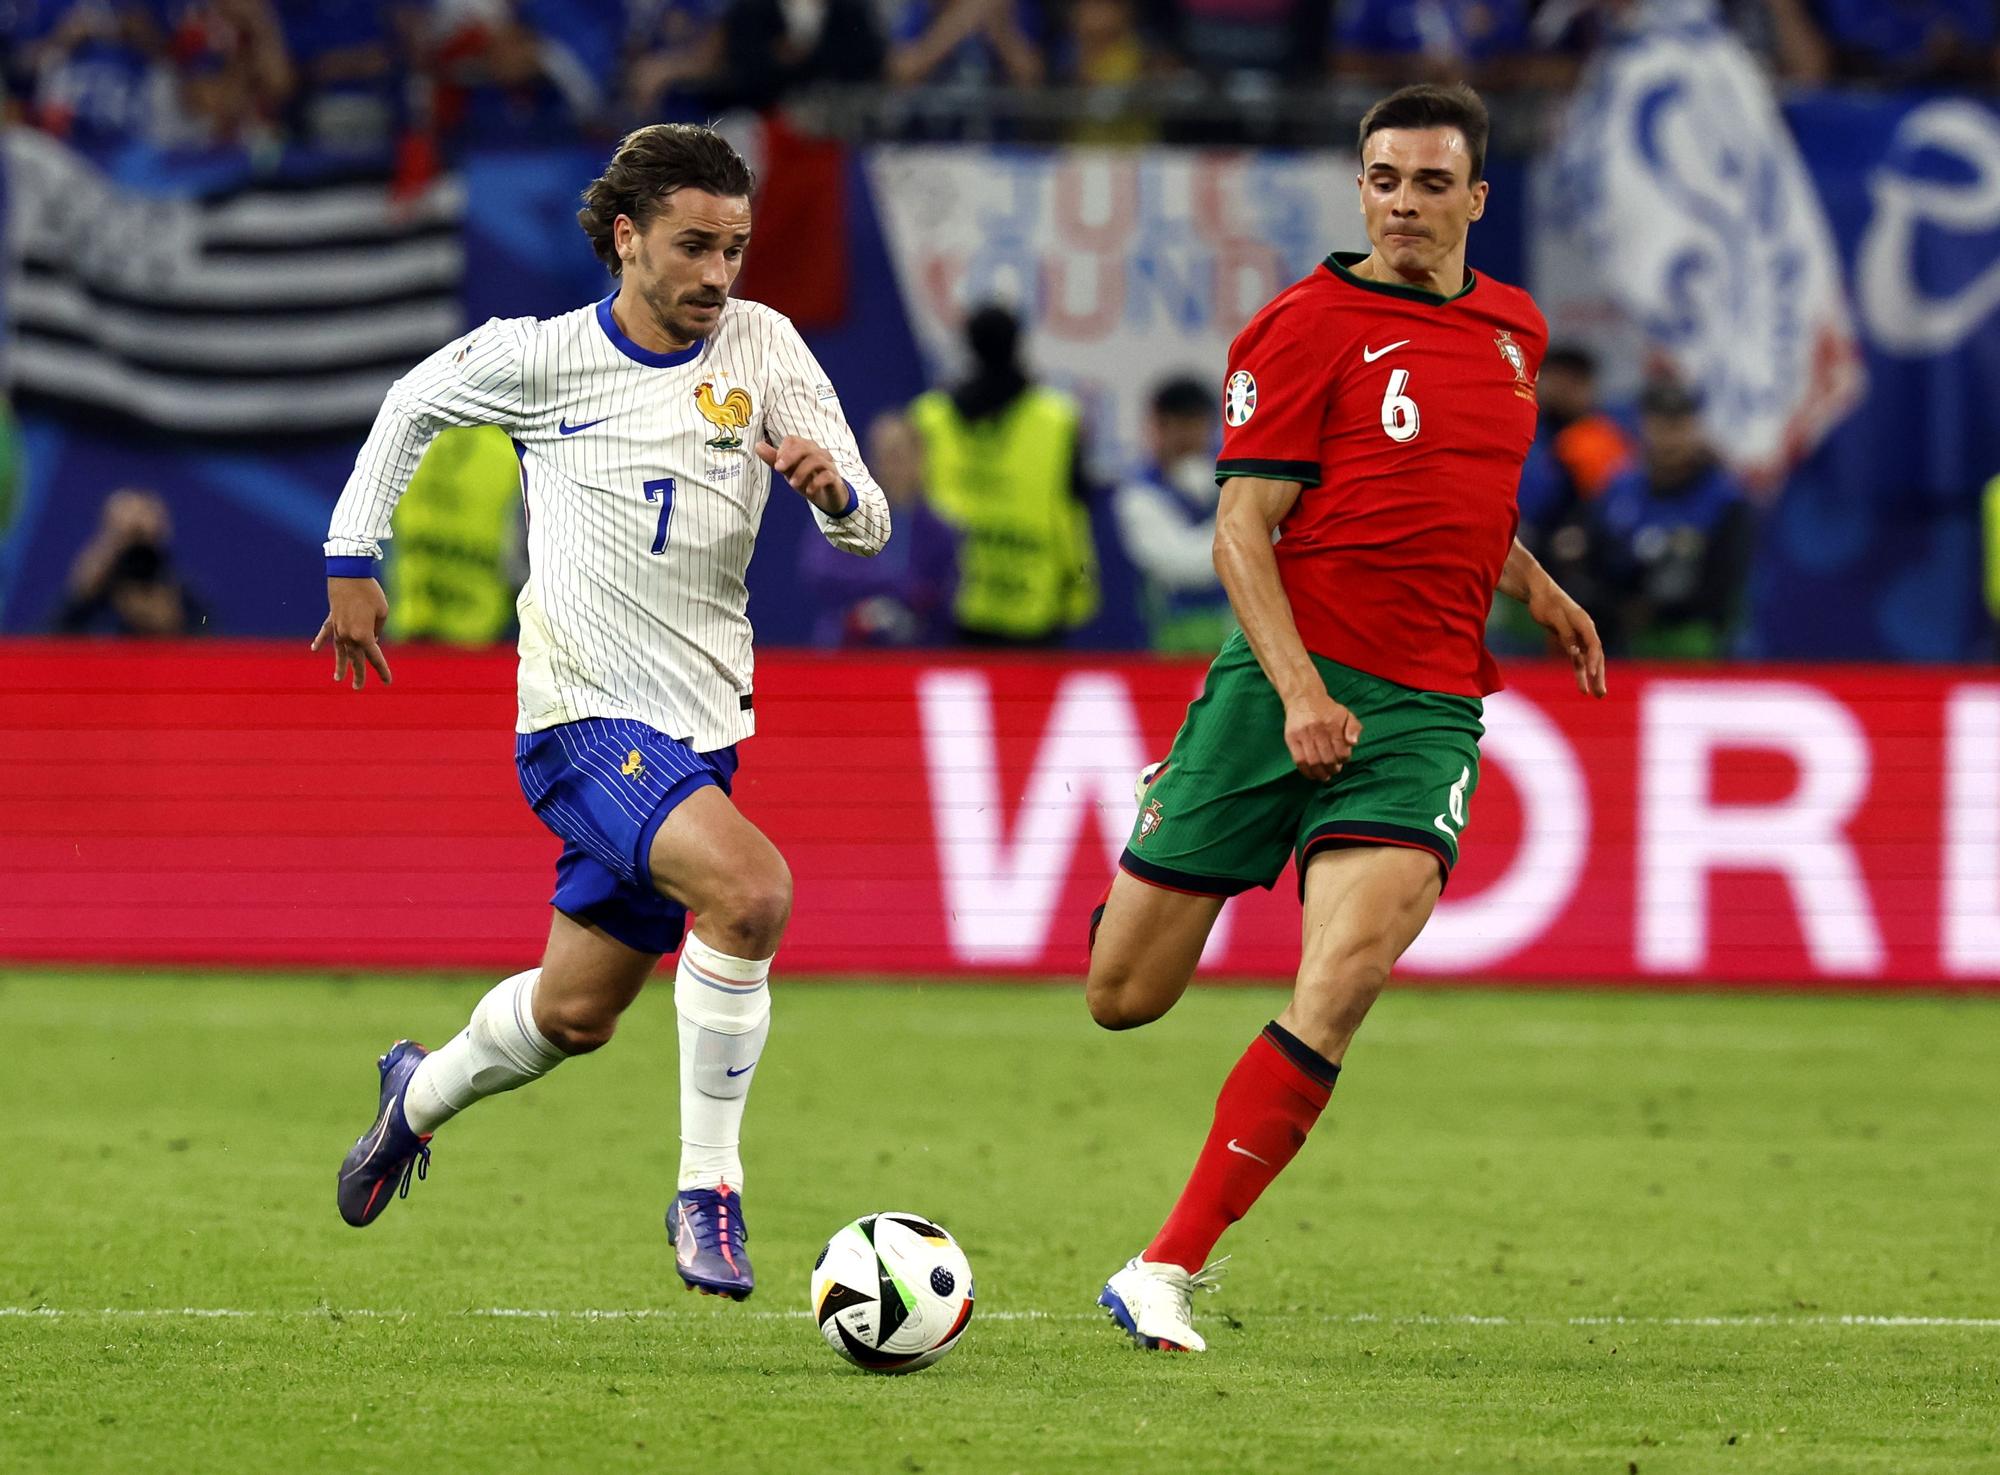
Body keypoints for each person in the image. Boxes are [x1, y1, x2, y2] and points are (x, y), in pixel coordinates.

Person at [315, 123, 891, 1304]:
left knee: (574, 1015)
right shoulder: (538, 358)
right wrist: (349, 556)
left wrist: (833, 492)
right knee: (752, 892)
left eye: (733, 248)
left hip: (699, 734)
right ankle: (707, 1188)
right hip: (578, 721)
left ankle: (413, 1095)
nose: (717, 275)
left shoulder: (764, 346)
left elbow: (868, 519)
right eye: (693, 246)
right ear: (626, 239)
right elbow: (411, 401)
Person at [1084, 82, 1605, 1354]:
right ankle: (1177, 807)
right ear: (1359, 188)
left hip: (1426, 705)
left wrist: (1534, 584)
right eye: (1384, 180)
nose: (1405, 204)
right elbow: (1239, 529)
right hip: (1280, 690)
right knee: (1123, 994)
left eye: (1431, 183)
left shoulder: (1513, 333)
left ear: (1475, 197)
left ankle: (1163, 1263)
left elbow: (1452, 495)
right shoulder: (1301, 326)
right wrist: (1304, 692)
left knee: (1345, 975)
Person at [909, 303, 1098, 645]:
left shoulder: (928, 417)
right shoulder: (1059, 419)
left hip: (950, 601)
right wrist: (1078, 592)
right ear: (1018, 344)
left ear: (967, 346)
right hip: (1034, 603)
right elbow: (1075, 510)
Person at [1591, 377, 1754, 659]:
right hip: (1618, 640)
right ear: (1642, 426)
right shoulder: (1618, 489)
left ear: (1696, 429)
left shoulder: (1724, 499)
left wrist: (1656, 610)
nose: (1669, 438)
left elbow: (1725, 584)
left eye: (1679, 426)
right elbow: (1594, 553)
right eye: (1660, 425)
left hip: (1697, 644)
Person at [797, 410, 958, 646]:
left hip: (916, 654)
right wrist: (889, 590)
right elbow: (818, 569)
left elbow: (942, 597)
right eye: (882, 455)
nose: (891, 466)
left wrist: (904, 601)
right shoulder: (843, 513)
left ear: (919, 458)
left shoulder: (939, 531)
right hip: (848, 652)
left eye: (898, 455)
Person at [1113, 374, 1233, 654]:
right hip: (1168, 648)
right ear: (1157, 427)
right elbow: (1184, 565)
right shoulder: (1138, 494)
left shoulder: (1231, 479)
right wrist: (1244, 525)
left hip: (1240, 644)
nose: (1185, 437)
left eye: (1195, 424)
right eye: (1175, 426)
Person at [56, 487, 208, 636]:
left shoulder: (182, 596)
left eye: (142, 538)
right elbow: (44, 643)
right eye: (127, 537)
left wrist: (177, 627)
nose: (136, 554)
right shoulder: (90, 595)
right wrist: (81, 595)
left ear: (162, 534)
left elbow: (210, 632)